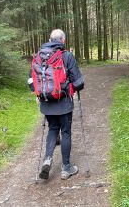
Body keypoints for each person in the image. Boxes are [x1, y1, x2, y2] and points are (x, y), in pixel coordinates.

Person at [28, 29, 84, 180]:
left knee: (53, 129)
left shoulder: (39, 56)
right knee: (65, 132)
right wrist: (75, 88)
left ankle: (47, 159)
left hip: (46, 102)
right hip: (64, 102)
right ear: (63, 40)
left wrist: (38, 93)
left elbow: (31, 80)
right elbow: (79, 82)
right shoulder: (66, 55)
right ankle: (66, 168)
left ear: (50, 39)